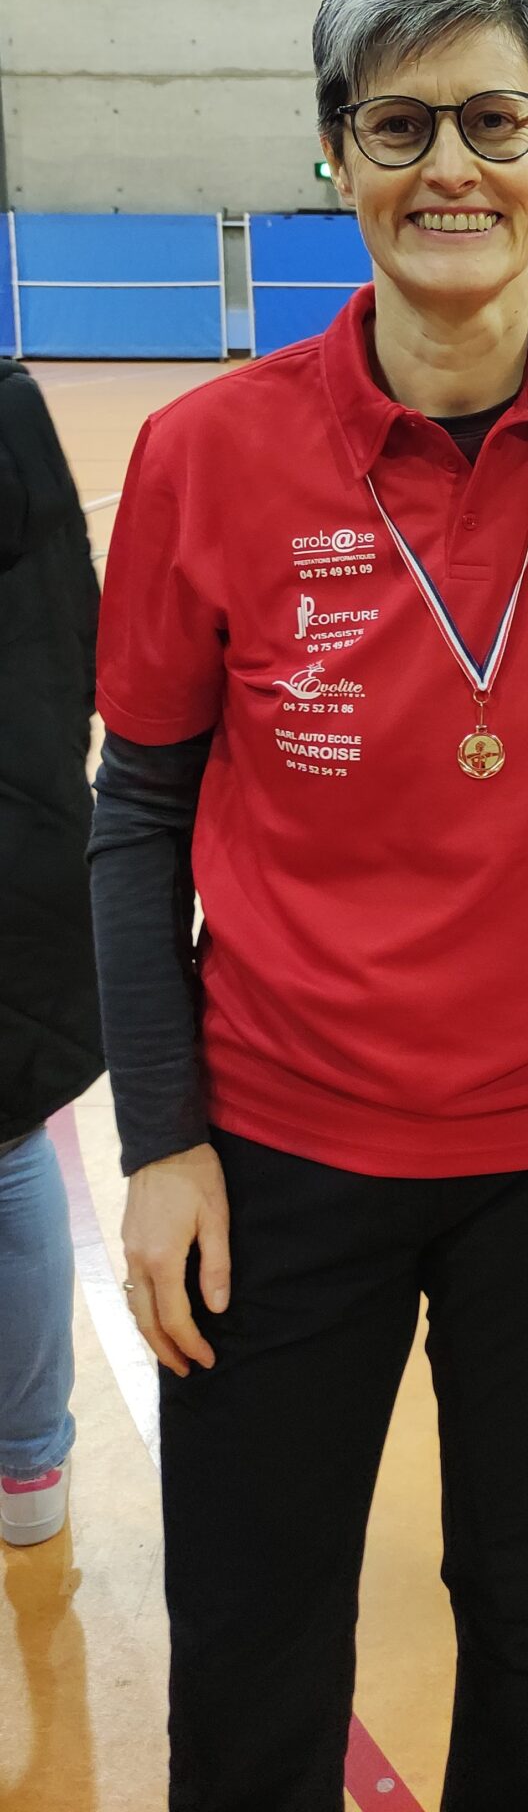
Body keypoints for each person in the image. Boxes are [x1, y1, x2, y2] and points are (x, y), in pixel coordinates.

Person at [89, 0, 528, 1812]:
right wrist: (161, 1142)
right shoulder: (212, 456)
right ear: (334, 157)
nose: (448, 166)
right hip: (277, 1161)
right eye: (397, 125)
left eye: (490, 118)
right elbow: (139, 817)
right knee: (255, 1612)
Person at [0, 360, 102, 1547]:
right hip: (25, 826)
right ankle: (30, 1465)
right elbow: (77, 616)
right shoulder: (13, 404)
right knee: (10, 1142)